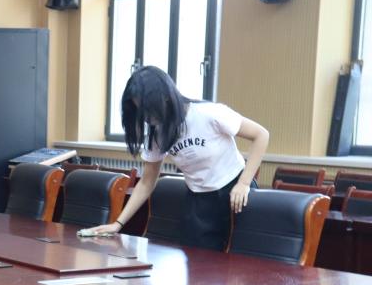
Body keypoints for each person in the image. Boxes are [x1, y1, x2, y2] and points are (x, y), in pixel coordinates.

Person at [80, 66, 269, 250]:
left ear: (165, 96)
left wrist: (244, 183)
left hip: (236, 190)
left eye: (148, 109)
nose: (146, 118)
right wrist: (117, 224)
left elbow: (261, 135)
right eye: (141, 112)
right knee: (200, 263)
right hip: (200, 200)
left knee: (244, 259)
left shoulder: (209, 113)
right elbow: (146, 182)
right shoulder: (158, 134)